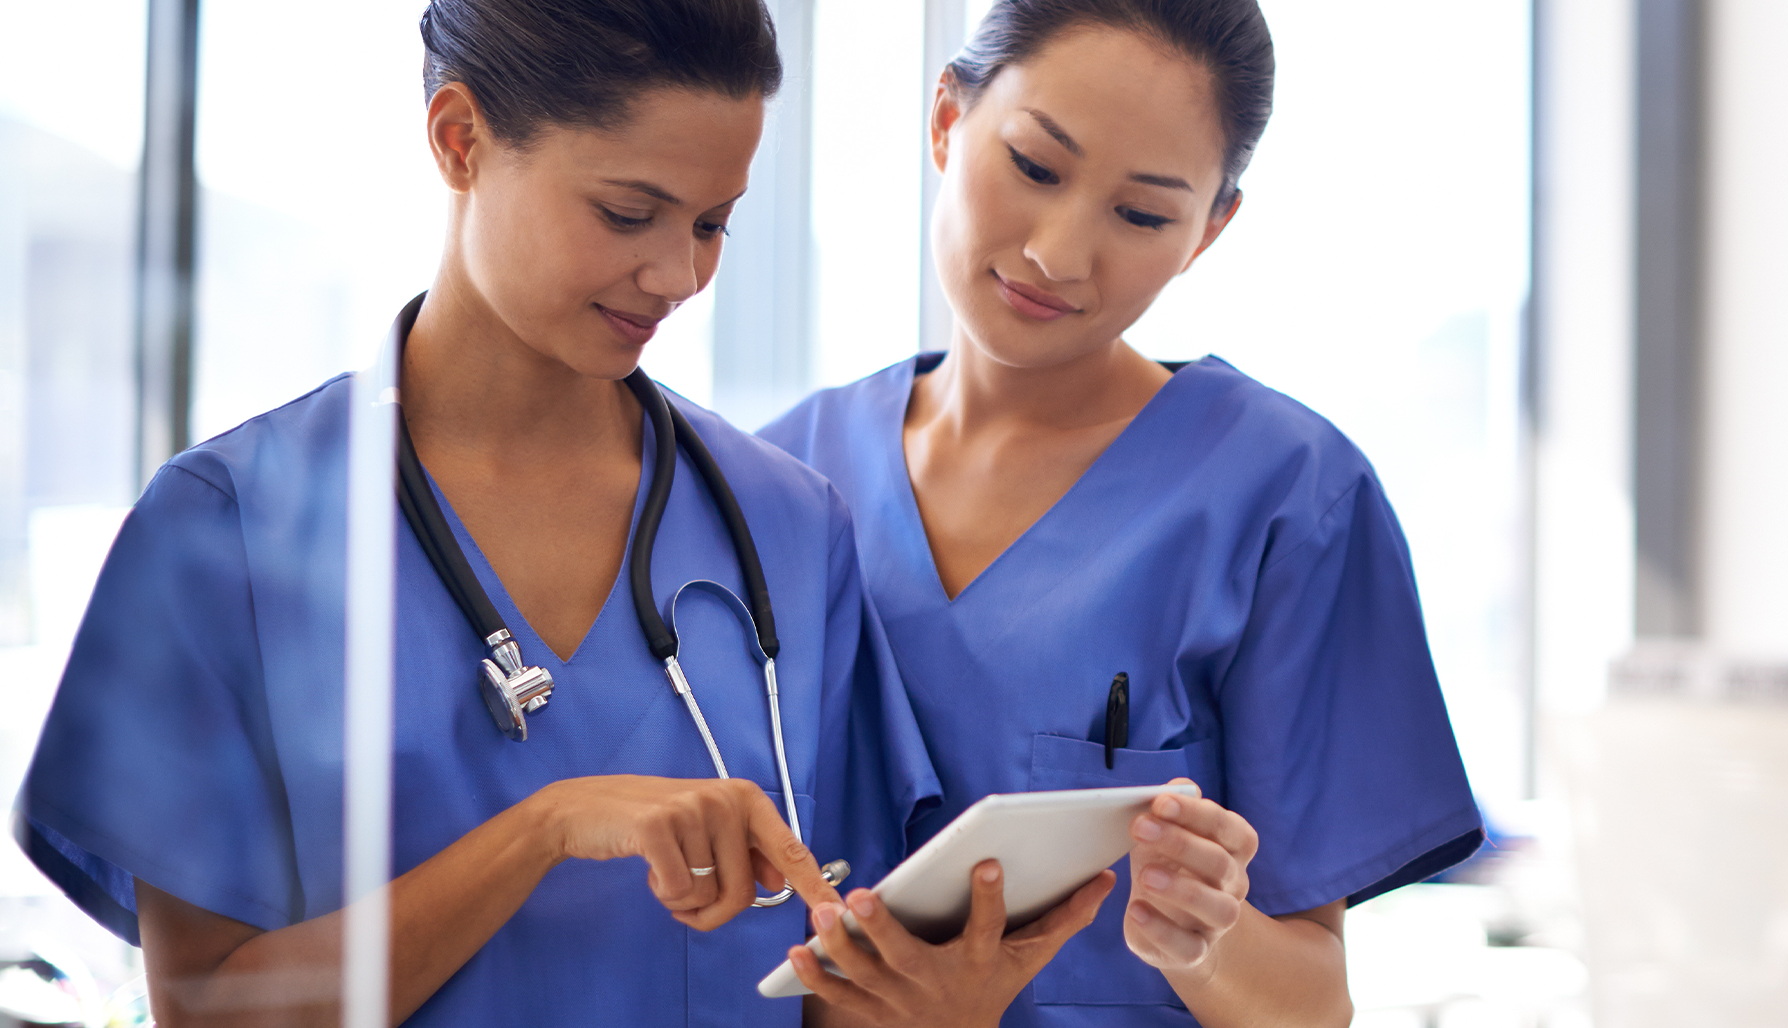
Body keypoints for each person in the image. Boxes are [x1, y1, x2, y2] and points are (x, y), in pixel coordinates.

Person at [11, 2, 963, 1024]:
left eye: (710, 223)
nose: (678, 275)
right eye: (627, 212)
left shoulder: (784, 525)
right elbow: (208, 1007)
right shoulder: (225, 530)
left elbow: (841, 966)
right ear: (461, 139)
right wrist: (545, 826)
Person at [757, 1, 1485, 1025]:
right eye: (1036, 167)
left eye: (1141, 215)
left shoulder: (1287, 496)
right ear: (945, 119)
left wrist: (1202, 935)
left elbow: (1312, 1003)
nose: (1058, 254)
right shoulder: (782, 477)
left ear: (1209, 231)